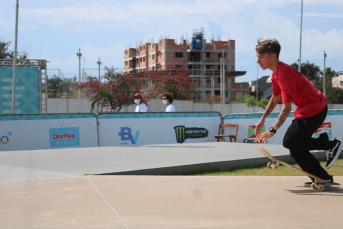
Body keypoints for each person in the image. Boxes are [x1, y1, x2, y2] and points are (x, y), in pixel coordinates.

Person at [254, 38, 342, 185]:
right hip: (308, 109)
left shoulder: (284, 74)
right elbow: (275, 98)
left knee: (290, 141)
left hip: (315, 108)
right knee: (295, 147)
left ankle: (331, 145)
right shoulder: (276, 75)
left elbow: (286, 108)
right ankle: (321, 177)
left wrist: (272, 130)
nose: (258, 62)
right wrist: (262, 119)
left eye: (261, 57)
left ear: (273, 56)